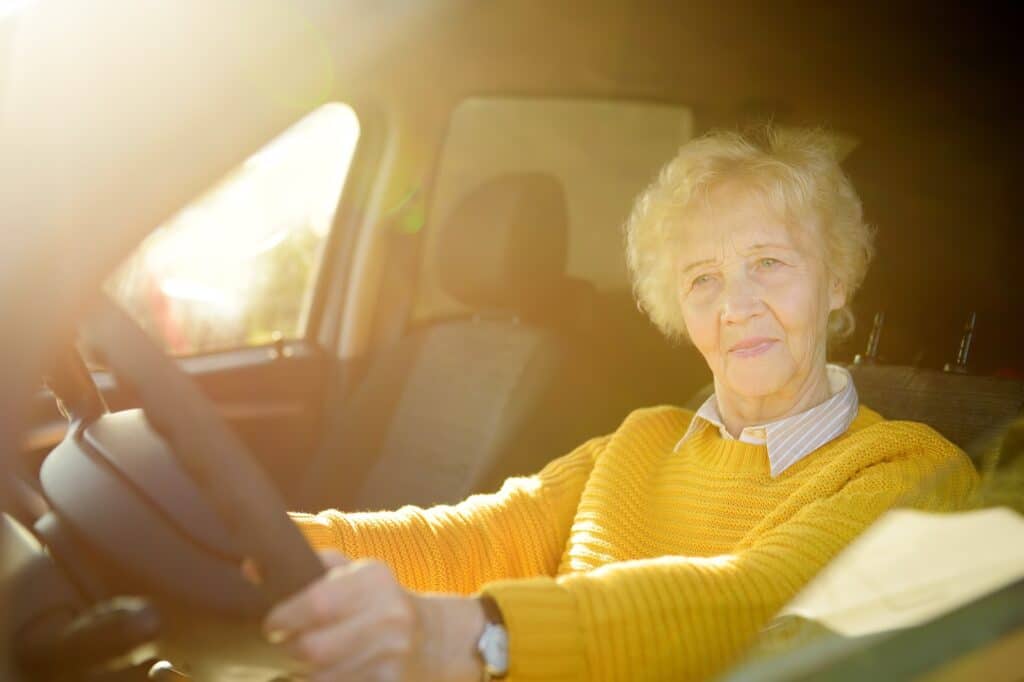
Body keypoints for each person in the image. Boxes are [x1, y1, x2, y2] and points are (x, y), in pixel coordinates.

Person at [264, 125, 978, 682]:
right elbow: (475, 539)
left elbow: (754, 604)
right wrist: (273, 545)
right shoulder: (642, 440)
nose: (737, 305)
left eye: (769, 263)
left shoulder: (913, 472)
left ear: (836, 282)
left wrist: (473, 636)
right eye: (704, 279)